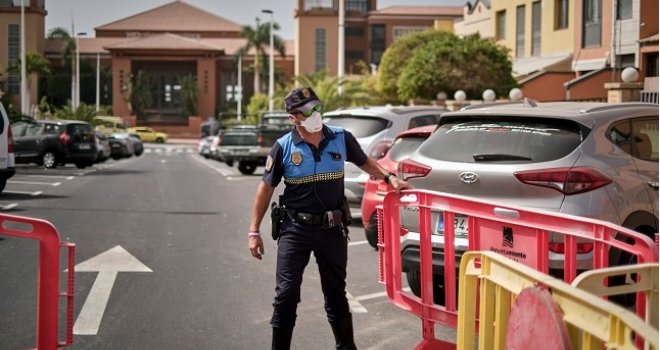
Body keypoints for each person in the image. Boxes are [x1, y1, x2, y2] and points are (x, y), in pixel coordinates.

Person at [247, 87, 409, 350]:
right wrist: (253, 231)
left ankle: (346, 347)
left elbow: (365, 162)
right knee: (286, 296)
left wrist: (390, 178)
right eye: (308, 111)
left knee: (336, 293)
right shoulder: (283, 147)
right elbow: (265, 188)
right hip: (295, 229)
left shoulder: (341, 138)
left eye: (318, 107)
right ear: (293, 118)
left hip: (332, 229)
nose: (316, 114)